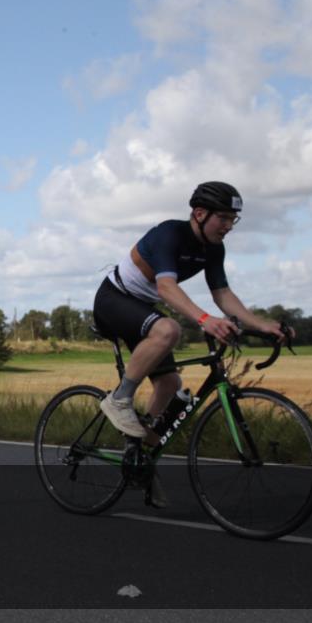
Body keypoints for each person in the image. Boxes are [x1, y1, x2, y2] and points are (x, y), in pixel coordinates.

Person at [92, 182, 294, 506]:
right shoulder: (169, 235)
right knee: (169, 329)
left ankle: (140, 459)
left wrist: (263, 324)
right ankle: (119, 399)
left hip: (140, 308)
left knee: (171, 383)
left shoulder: (214, 248)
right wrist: (206, 320)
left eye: (233, 220)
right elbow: (167, 288)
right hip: (114, 300)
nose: (229, 227)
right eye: (224, 218)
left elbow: (223, 294)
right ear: (199, 214)